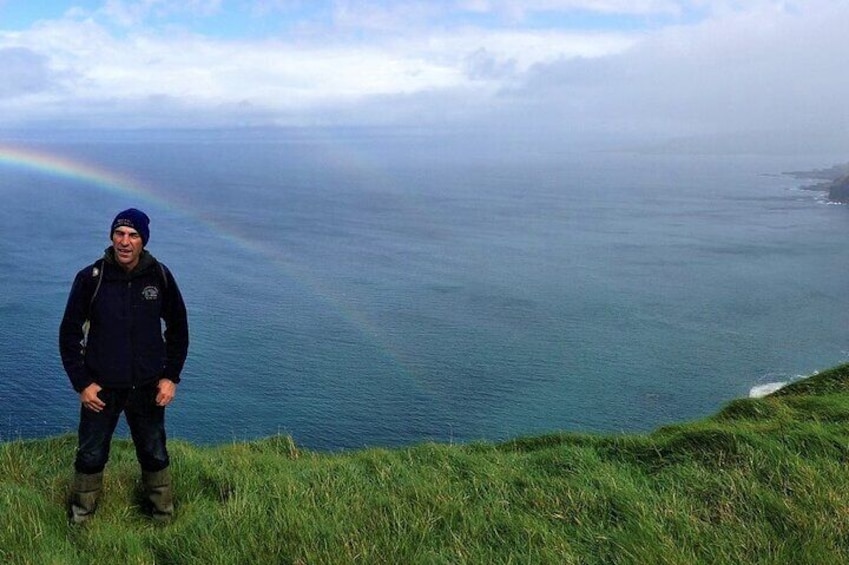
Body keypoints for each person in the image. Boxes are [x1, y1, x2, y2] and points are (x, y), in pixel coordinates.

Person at [59, 208, 189, 524]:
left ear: (143, 240)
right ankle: (81, 520)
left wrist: (170, 377)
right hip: (100, 389)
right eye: (119, 233)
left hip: (147, 387)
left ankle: (162, 517)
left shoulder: (160, 276)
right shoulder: (91, 278)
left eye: (133, 235)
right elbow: (69, 333)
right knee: (90, 454)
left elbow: (178, 328)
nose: (125, 241)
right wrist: (82, 383)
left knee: (154, 452)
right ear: (111, 237)